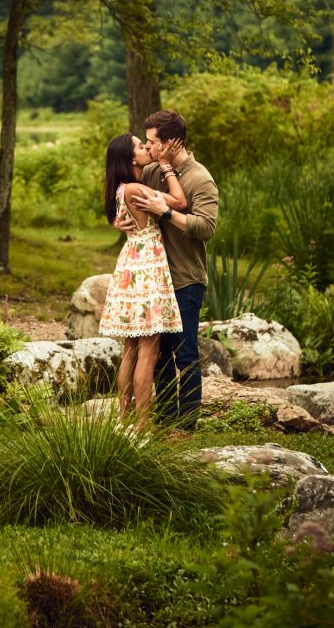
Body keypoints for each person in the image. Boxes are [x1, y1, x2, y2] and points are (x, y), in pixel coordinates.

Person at [128, 109, 218, 432]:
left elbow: (206, 228)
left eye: (152, 142)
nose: (148, 148)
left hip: (185, 280)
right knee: (160, 355)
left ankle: (186, 426)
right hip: (156, 281)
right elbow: (125, 194)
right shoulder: (152, 172)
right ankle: (165, 423)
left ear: (170, 143)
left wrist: (166, 212)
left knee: (185, 354)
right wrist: (121, 219)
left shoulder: (200, 179)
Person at [99, 132, 188, 431]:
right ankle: (142, 424)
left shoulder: (120, 189)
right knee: (148, 352)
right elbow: (179, 201)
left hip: (131, 265)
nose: (146, 148)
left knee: (130, 350)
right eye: (140, 146)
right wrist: (166, 166)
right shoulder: (137, 189)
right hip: (147, 268)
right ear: (130, 159)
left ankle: (123, 420)